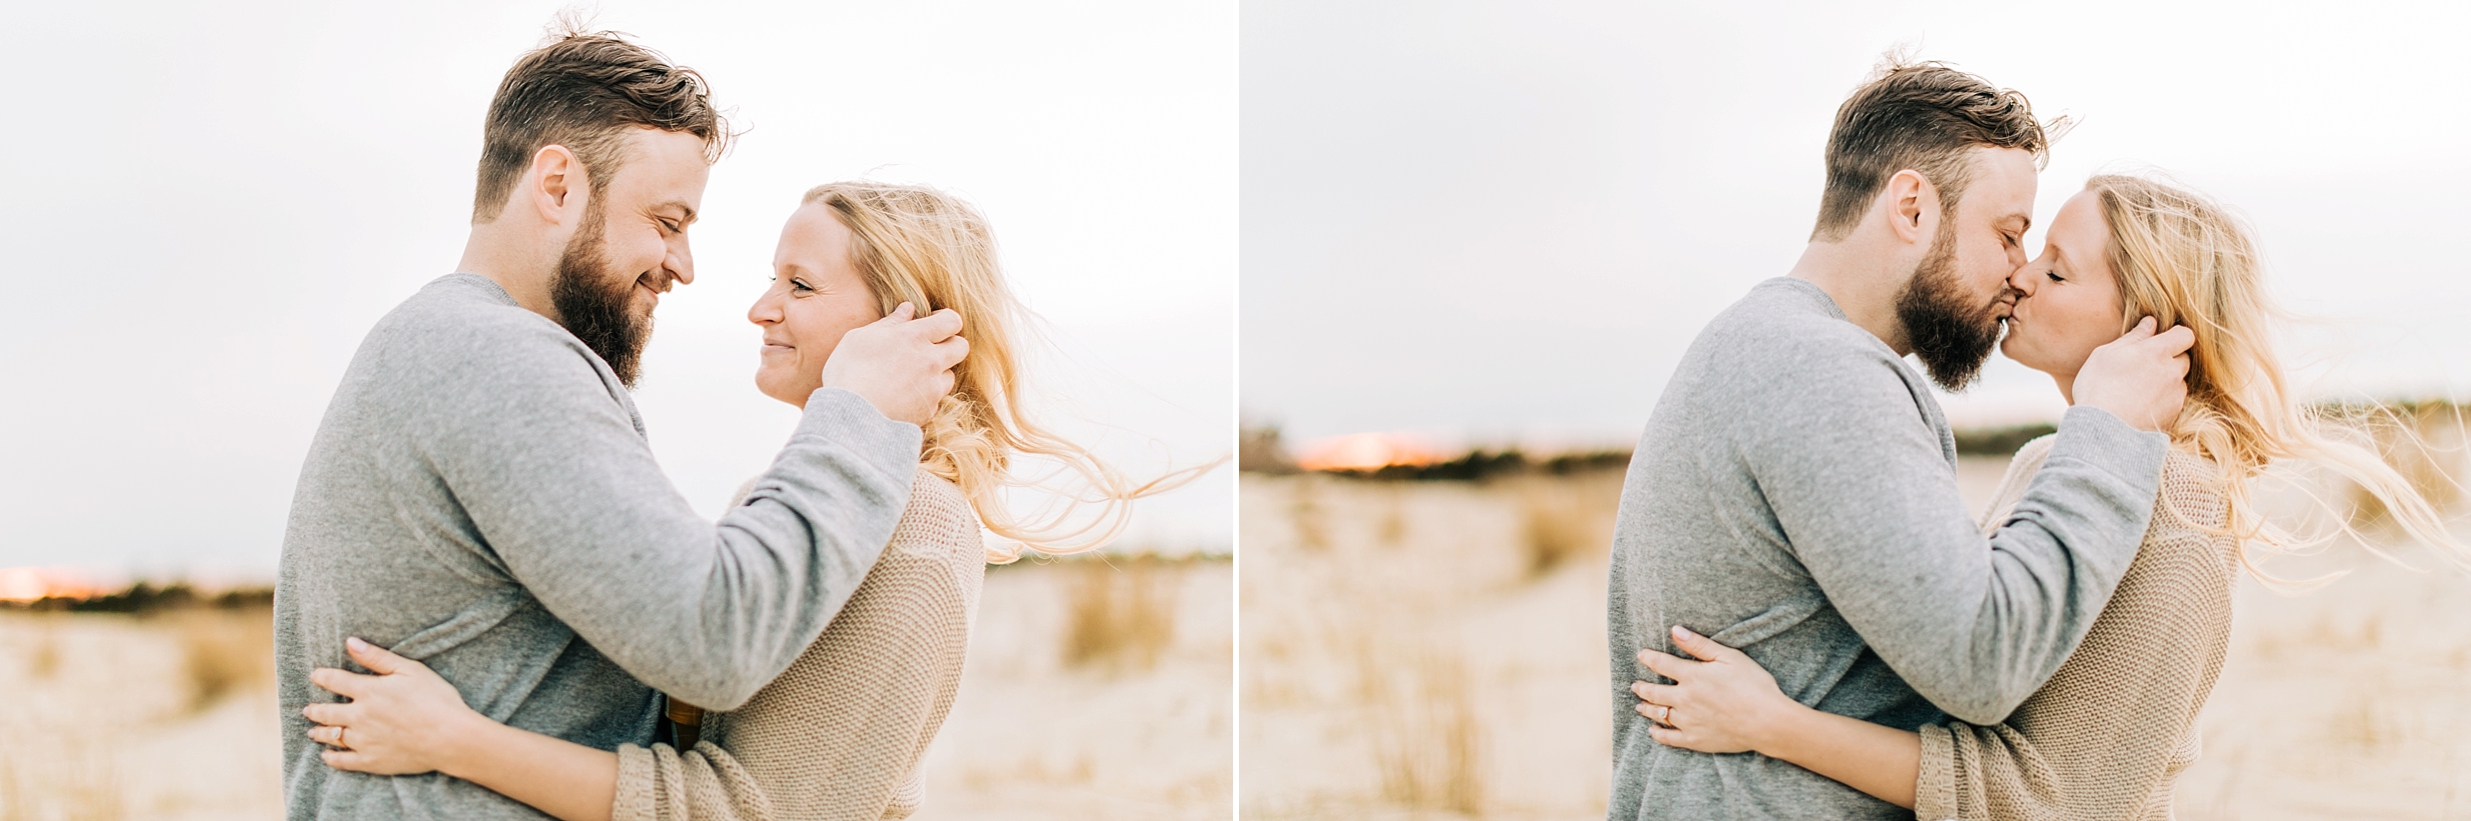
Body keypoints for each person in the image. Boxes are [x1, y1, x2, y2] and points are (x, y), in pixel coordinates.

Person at [296, 181, 1209, 821]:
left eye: (800, 285)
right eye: (773, 277)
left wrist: (457, 739)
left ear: (907, 323)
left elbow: (744, 810)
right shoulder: (800, 498)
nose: (759, 308)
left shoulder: (922, 535)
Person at [274, 32, 967, 820]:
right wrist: (860, 416)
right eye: (667, 220)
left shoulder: (433, 344)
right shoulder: (497, 360)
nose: (683, 263)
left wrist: (458, 738)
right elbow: (717, 637)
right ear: (559, 185)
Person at [1626, 172, 2469, 820]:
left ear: (2146, 323)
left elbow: (2048, 796)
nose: (2020, 278)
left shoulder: (2179, 508)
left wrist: (1773, 724)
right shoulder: (2052, 463)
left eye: (2057, 271)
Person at [1602, 58, 2198, 820]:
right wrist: (2107, 432)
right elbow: (1984, 658)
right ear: (1912, 207)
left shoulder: (1751, 344)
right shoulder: (1822, 374)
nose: (2017, 275)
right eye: (2009, 235)